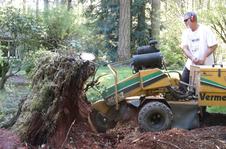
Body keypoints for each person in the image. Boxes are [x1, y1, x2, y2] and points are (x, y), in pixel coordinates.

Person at [180, 11, 218, 92]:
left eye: (186, 20)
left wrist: (204, 57)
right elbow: (184, 48)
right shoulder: (186, 32)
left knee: (200, 91)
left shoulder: (205, 30)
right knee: (182, 84)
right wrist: (192, 58)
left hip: (205, 66)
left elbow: (214, 45)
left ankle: (199, 104)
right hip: (191, 65)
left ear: (192, 19)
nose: (185, 23)